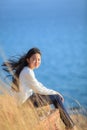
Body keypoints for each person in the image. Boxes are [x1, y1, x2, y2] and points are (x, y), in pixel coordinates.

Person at [2, 47, 75, 129]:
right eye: (34, 59)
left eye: (39, 59)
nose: (37, 62)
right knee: (57, 98)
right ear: (28, 60)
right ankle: (70, 125)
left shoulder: (26, 70)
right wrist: (56, 93)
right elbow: (38, 89)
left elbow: (38, 85)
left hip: (25, 101)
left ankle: (69, 124)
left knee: (54, 97)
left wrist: (53, 92)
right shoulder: (28, 72)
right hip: (25, 103)